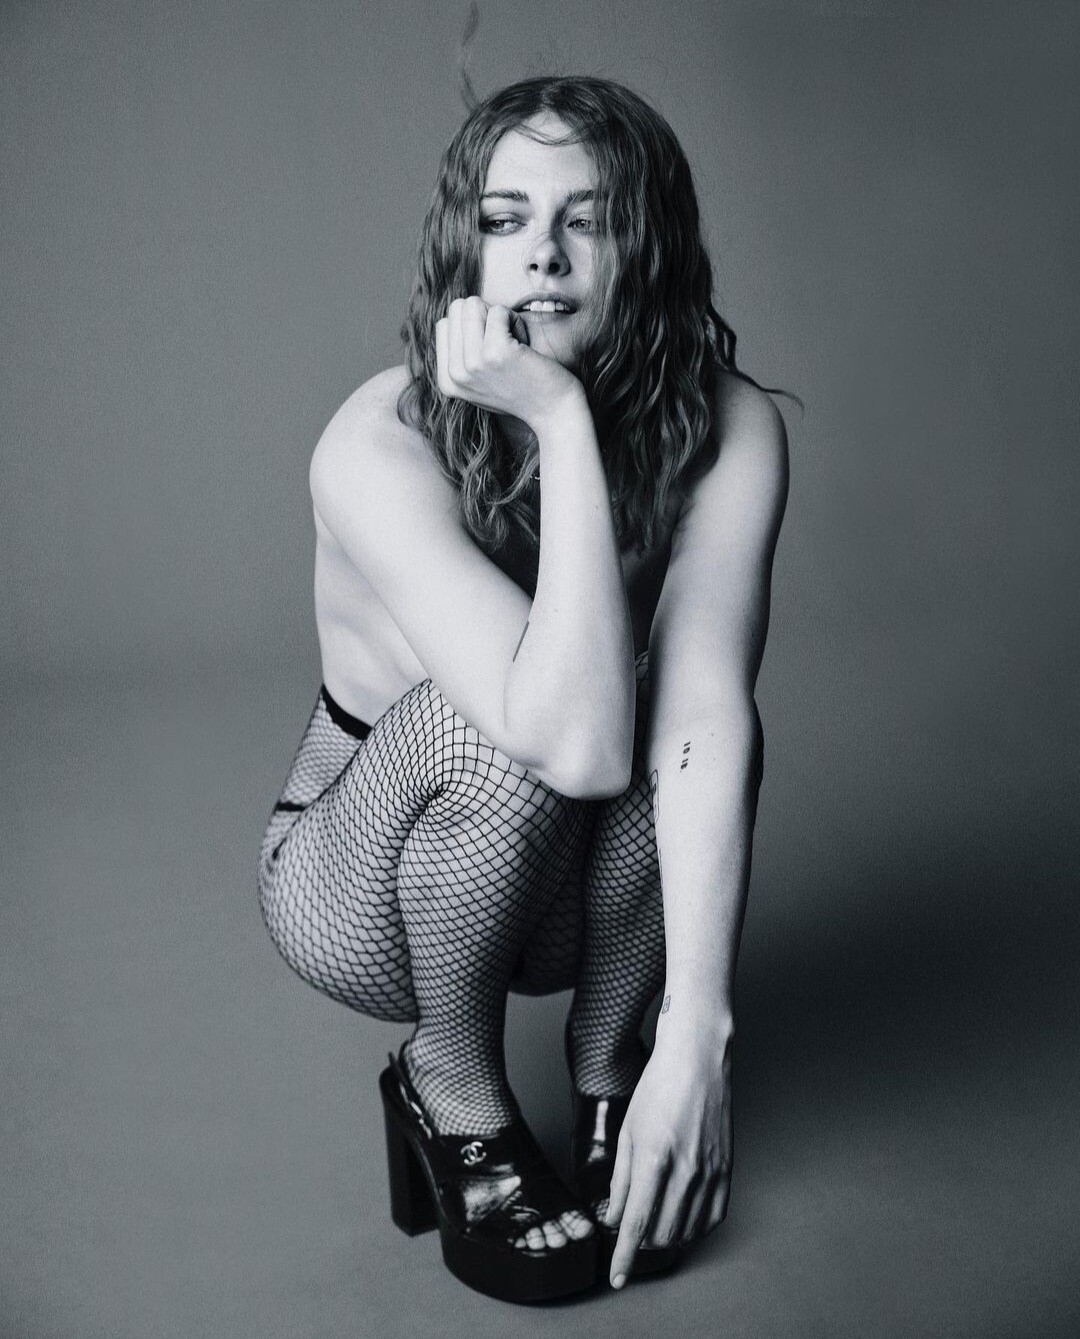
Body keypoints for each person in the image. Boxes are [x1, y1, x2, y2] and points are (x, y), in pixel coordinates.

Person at [258, 74, 789, 1305]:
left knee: (688, 709)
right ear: (465, 246)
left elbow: (706, 720)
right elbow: (569, 744)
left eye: (587, 219)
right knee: (499, 721)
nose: (542, 254)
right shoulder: (377, 441)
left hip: (565, 884)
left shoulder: (732, 427)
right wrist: (558, 421)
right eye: (503, 220)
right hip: (362, 884)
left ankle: (611, 1068)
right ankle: (449, 1083)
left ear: (647, 244)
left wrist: (697, 1033)